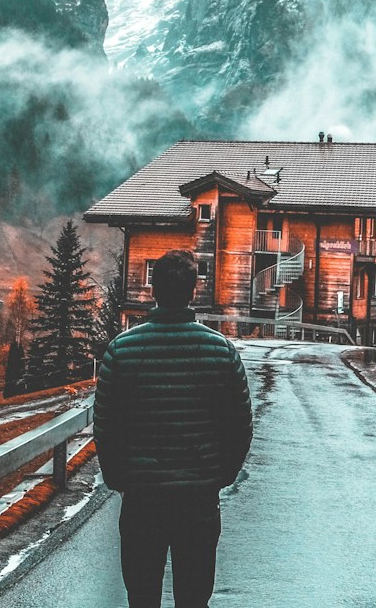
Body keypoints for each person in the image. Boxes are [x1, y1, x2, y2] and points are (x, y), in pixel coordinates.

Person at [94, 249, 252, 608]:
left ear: (154, 290)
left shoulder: (121, 351)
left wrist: (119, 477)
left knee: (143, 596)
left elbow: (106, 427)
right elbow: (239, 426)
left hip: (142, 499)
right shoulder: (221, 351)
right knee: (194, 598)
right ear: (193, 292)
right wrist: (219, 475)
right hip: (198, 501)